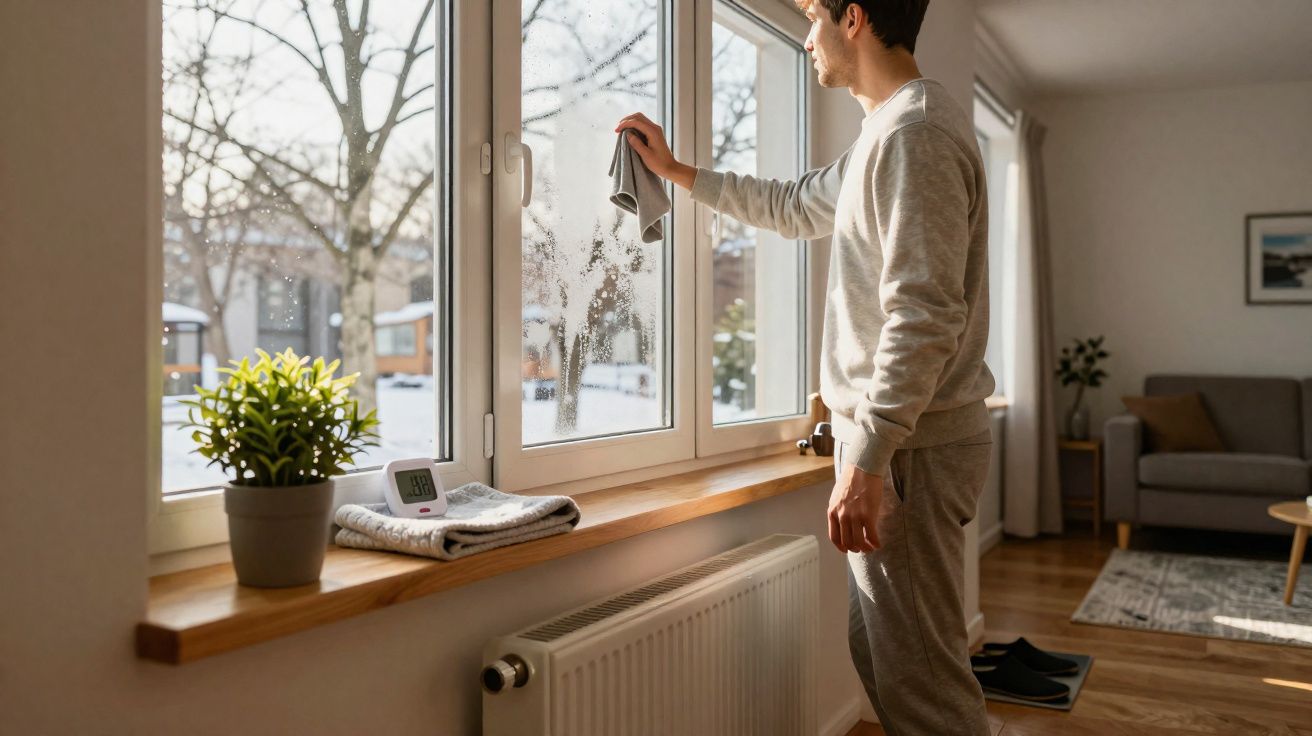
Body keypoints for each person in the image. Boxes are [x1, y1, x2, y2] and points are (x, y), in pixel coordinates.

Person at [616, 0, 994, 733]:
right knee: (882, 654)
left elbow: (924, 314)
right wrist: (675, 171)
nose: (808, 39)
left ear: (853, 19)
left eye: (814, 17)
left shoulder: (915, 134)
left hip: (911, 449)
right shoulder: (885, 134)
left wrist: (869, 457)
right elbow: (791, 206)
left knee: (928, 692)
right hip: (901, 446)